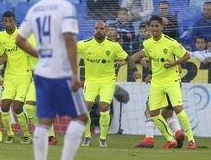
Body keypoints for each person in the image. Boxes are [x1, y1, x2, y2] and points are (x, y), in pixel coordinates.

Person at [15, 0, 88, 160]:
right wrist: (75, 73)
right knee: (81, 117)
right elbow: (69, 39)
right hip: (61, 71)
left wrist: (39, 54)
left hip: (41, 72)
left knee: (44, 121)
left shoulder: (35, 8)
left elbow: (19, 40)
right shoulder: (66, 7)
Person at [133, 15, 196, 149]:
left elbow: (187, 55)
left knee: (178, 109)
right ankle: (170, 139)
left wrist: (174, 62)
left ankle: (191, 140)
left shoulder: (171, 42)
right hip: (157, 81)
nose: (154, 28)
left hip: (172, 80)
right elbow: (150, 58)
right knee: (154, 112)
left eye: (157, 26)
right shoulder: (147, 43)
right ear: (148, 28)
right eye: (152, 26)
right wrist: (150, 73)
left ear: (162, 27)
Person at [77, 21, 141, 147]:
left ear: (105, 31)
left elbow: (128, 58)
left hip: (107, 81)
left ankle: (102, 138)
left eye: (101, 28)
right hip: (90, 81)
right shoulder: (85, 44)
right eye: (97, 28)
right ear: (93, 30)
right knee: (85, 108)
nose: (99, 30)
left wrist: (134, 70)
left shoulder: (113, 46)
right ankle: (87, 137)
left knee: (103, 107)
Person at [0, 11, 32, 144]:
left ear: (15, 21)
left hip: (24, 75)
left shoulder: (23, 34)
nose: (8, 23)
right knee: (4, 106)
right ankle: (10, 134)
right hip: (9, 76)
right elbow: (0, 54)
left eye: (10, 21)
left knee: (17, 107)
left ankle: (27, 135)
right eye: (5, 21)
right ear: (2, 22)